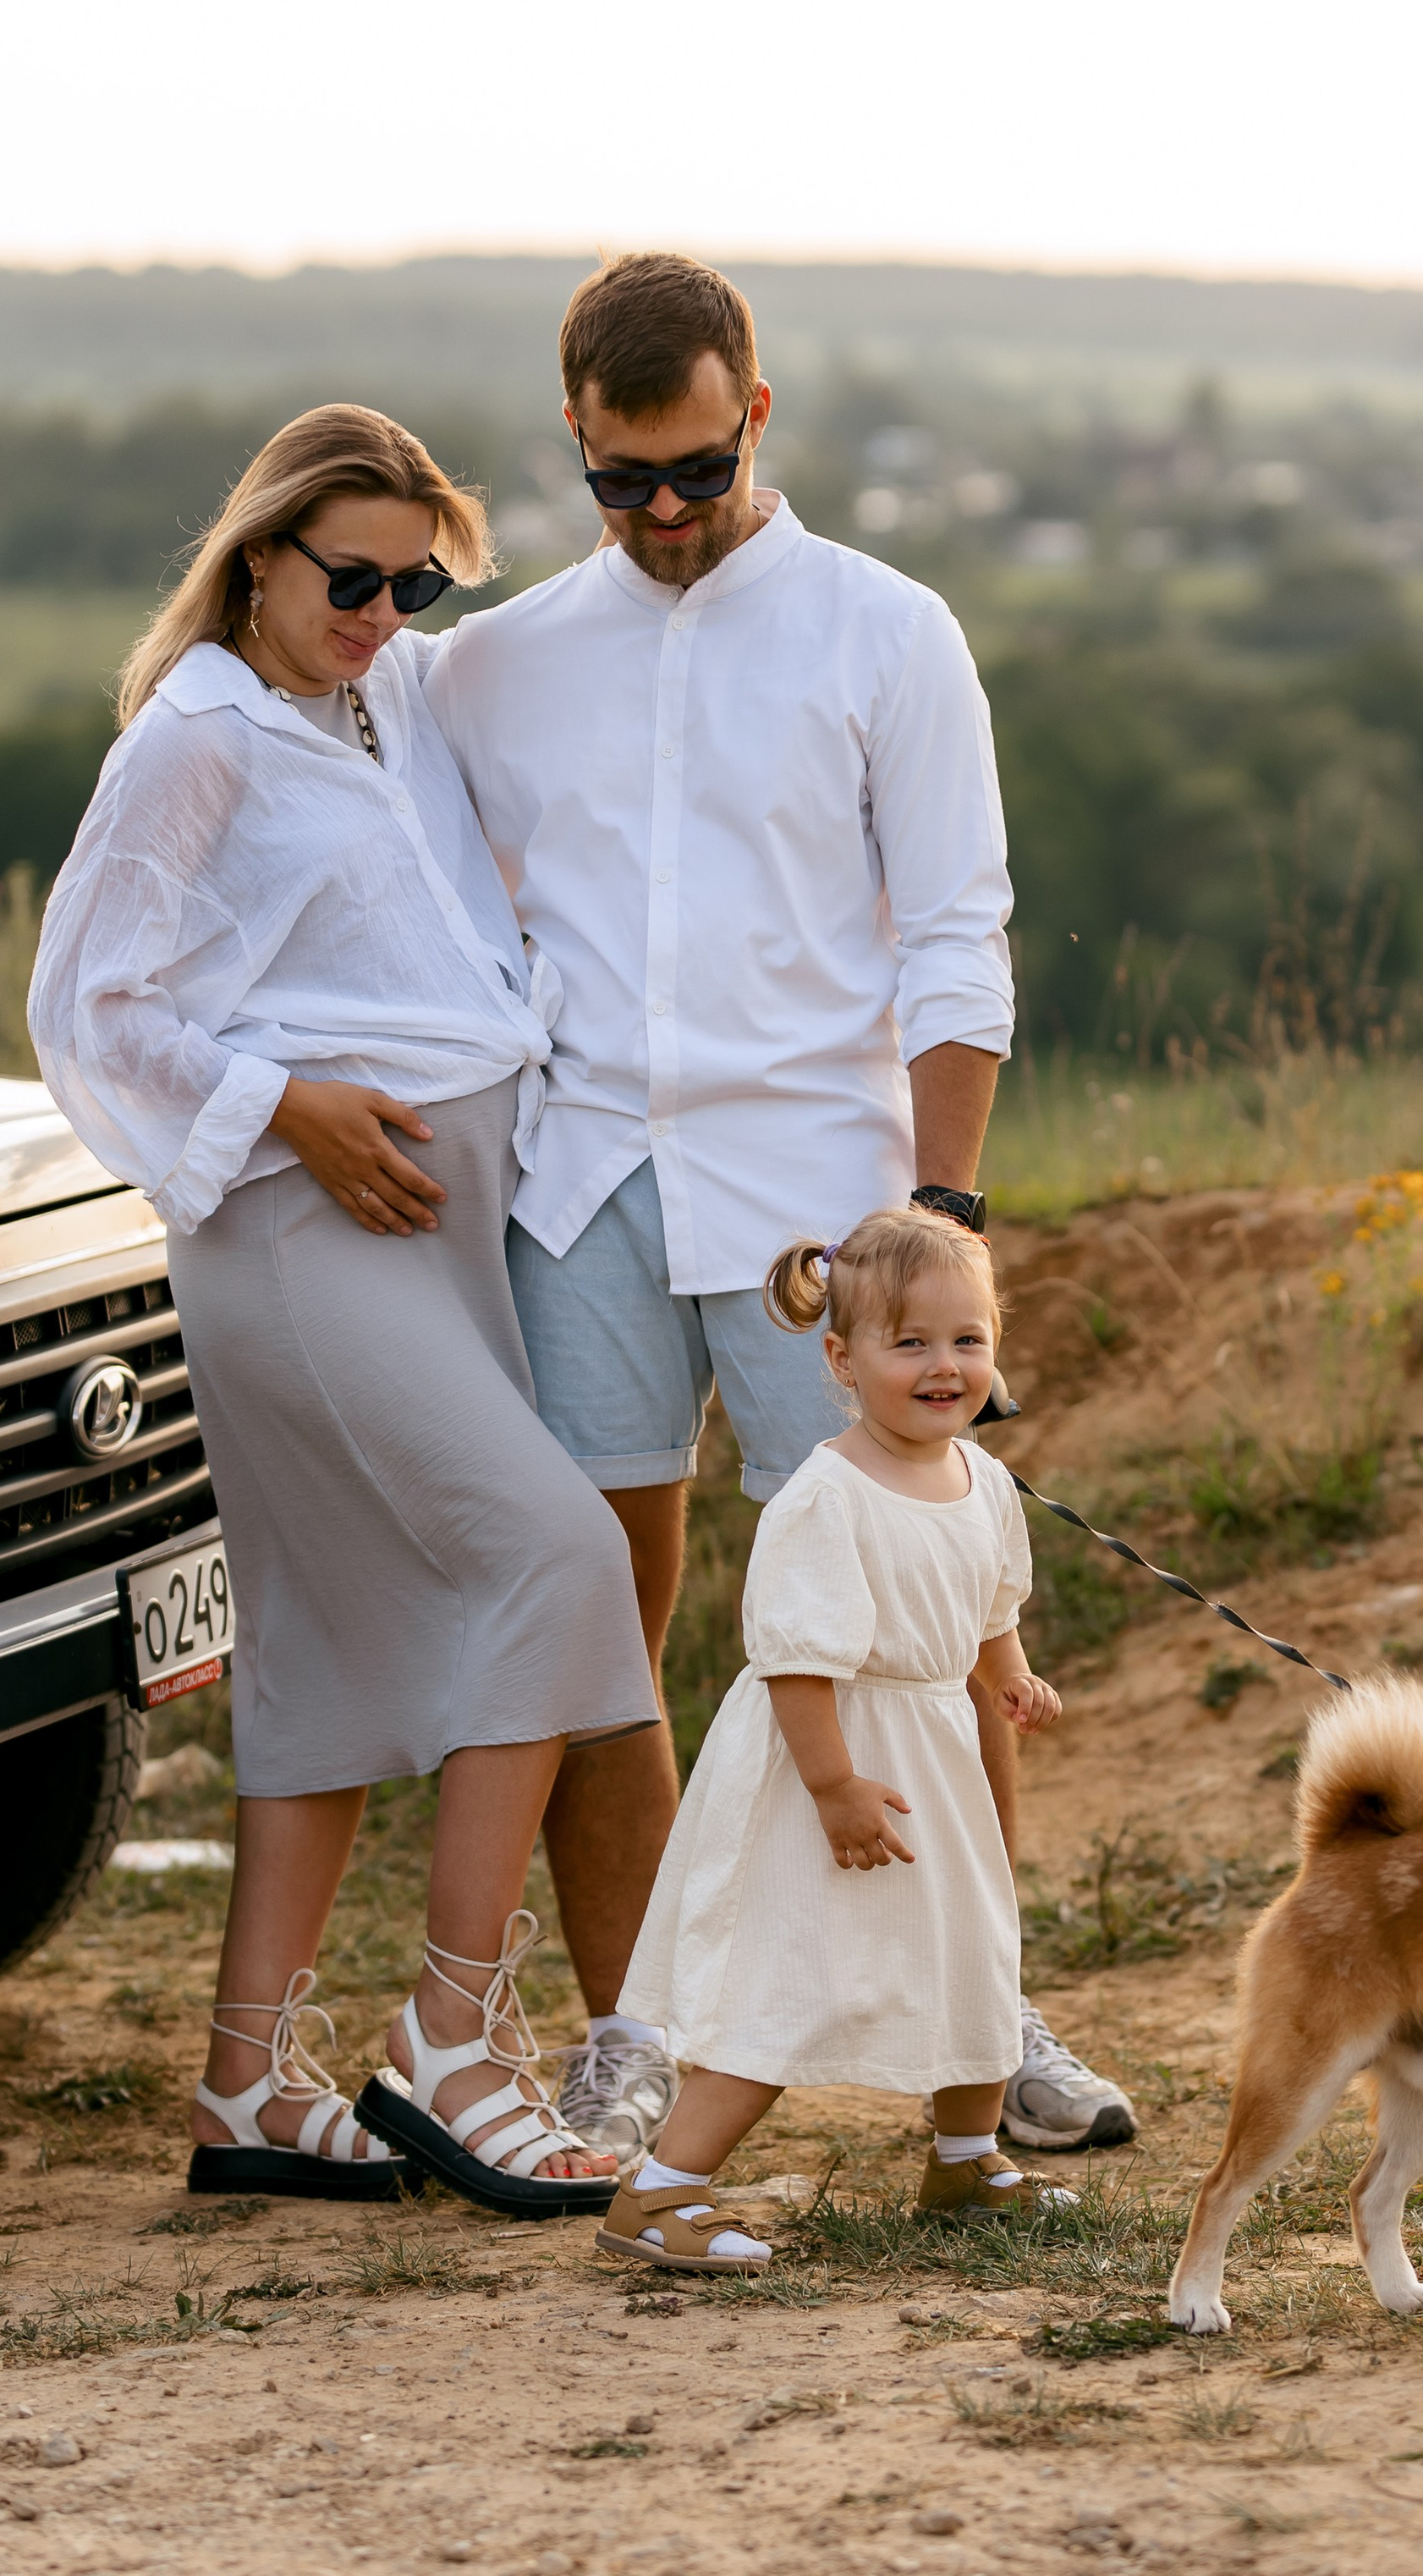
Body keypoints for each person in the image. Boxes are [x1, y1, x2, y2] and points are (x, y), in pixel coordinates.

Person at [422, 250, 1139, 2162]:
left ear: (757, 414)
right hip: (578, 1179)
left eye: (694, 470)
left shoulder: (884, 632)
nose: (662, 514)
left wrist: (941, 1209)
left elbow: (953, 932)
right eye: (619, 480)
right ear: (571, 437)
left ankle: (987, 2017)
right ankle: (635, 2025)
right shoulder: (491, 663)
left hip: (822, 1202)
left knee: (919, 1605)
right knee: (596, 1613)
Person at [29, 405, 657, 2215]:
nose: (382, 610)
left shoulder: (374, 698)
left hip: (432, 1223)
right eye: (350, 578)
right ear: (256, 563)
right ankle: (456, 2039)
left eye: (415, 581)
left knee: (308, 1648)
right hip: (305, 1219)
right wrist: (285, 1102)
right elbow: (89, 1003)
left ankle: (248, 2081)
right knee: (551, 1553)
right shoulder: (202, 734)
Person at [600, 1208, 1069, 2271]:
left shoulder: (984, 1481)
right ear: (842, 1359)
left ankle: (966, 2158)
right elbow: (798, 1664)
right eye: (909, 1344)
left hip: (934, 1758)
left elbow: (991, 1608)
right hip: (831, 1758)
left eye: (967, 1341)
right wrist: (833, 1786)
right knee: (794, 1971)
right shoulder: (825, 1496)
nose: (944, 1367)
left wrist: (1010, 1679)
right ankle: (661, 2193)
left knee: (972, 1954)